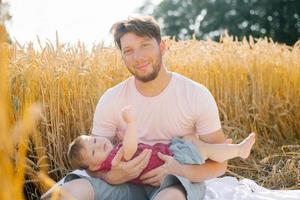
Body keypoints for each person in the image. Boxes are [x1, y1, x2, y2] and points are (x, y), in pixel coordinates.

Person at [42, 15, 247, 200]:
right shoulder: (112, 99)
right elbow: (92, 165)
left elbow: (220, 164)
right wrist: (114, 175)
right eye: (128, 51)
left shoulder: (196, 95)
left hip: (174, 182)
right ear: (122, 56)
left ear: (162, 47)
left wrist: (180, 171)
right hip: (123, 184)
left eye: (145, 45)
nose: (138, 57)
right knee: (64, 194)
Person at [68, 106, 255, 185]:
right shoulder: (115, 160)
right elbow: (131, 148)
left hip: (168, 153)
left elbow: (129, 147)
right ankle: (239, 150)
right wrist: (131, 124)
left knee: (192, 138)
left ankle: (222, 151)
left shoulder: (109, 160)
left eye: (93, 139)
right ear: (94, 166)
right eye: (93, 150)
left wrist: (123, 137)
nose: (98, 143)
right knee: (203, 150)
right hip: (172, 160)